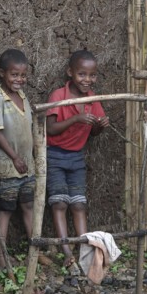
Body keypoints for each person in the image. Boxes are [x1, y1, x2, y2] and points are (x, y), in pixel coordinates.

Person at [45, 49, 110, 267]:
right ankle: (66, 251)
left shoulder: (94, 99)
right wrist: (76, 118)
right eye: (82, 74)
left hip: (76, 157)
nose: (87, 80)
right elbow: (50, 128)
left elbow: (93, 133)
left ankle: (84, 248)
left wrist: (100, 127)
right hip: (55, 155)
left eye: (92, 75)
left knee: (79, 205)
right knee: (60, 203)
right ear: (70, 72)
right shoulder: (59, 96)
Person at [0, 49, 35, 267]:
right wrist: (15, 158)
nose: (19, 80)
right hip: (8, 167)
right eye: (14, 75)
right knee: (6, 210)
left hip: (26, 166)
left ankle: (35, 251)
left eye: (22, 75)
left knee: (28, 206)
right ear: (1, 73)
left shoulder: (23, 97)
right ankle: (1, 254)